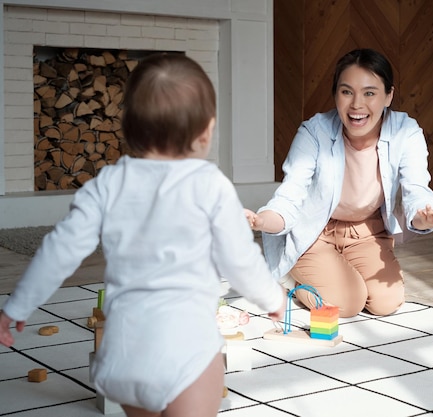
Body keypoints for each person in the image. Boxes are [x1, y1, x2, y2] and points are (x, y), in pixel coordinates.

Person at [0, 53, 286, 417]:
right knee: (207, 381)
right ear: (206, 132)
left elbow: (59, 251)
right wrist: (271, 296)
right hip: (187, 351)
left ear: (126, 129)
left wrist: (18, 305)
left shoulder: (107, 185)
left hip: (125, 353)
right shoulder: (210, 186)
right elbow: (239, 258)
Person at [245, 48, 433, 318]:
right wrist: (261, 222)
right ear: (335, 95)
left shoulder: (406, 131)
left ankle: (338, 274)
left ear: (389, 95)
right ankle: (291, 277)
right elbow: (289, 197)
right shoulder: (314, 132)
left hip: (368, 232)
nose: (357, 105)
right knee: (348, 304)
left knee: (386, 303)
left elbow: (417, 195)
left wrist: (428, 217)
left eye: (370, 93)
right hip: (315, 234)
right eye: (346, 92)